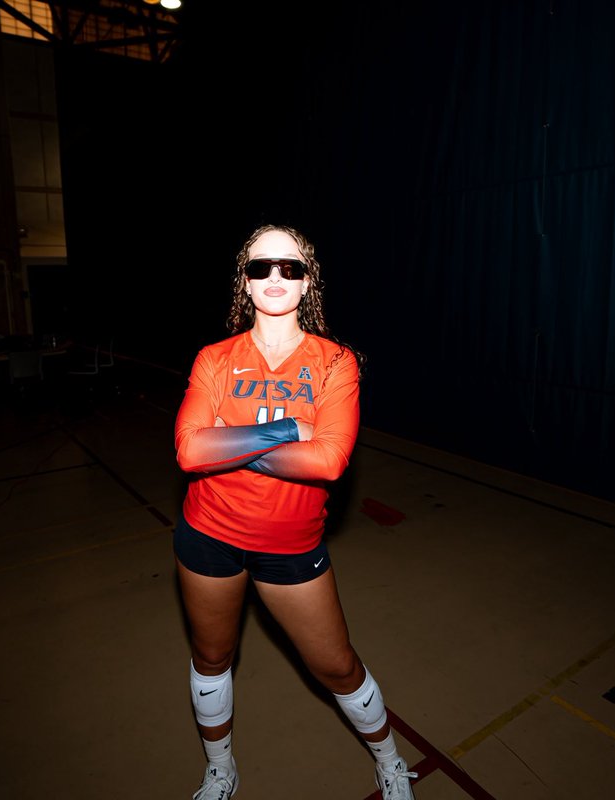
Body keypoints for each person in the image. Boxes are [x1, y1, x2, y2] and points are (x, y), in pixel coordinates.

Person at [173, 224, 416, 799]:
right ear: (245, 282)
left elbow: (330, 462)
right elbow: (188, 451)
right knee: (213, 659)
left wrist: (230, 443)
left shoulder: (336, 363)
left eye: (290, 266)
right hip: (208, 535)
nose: (275, 277)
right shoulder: (214, 358)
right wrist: (291, 431)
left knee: (337, 667)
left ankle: (389, 759)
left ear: (308, 281)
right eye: (260, 268)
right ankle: (220, 768)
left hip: (291, 546)